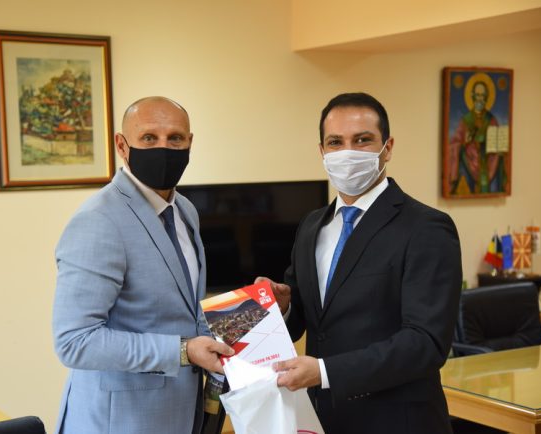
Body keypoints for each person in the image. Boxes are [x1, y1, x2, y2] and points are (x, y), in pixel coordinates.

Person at [257, 92, 462, 433]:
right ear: (322, 151)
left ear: (388, 148)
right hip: (323, 419)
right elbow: (310, 320)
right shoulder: (312, 226)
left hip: (398, 423)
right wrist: (284, 307)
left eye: (362, 140)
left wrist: (325, 372)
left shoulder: (426, 227)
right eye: (335, 142)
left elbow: (426, 343)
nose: (347, 152)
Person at [52, 96, 233, 434]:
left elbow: (184, 311)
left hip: (181, 414)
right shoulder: (98, 220)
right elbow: (75, 341)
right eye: (149, 138)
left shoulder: (185, 211)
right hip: (119, 422)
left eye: (175, 138)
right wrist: (183, 351)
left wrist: (257, 306)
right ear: (122, 145)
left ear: (190, 143)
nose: (164, 148)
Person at [449, 80, 506, 194]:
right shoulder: (466, 120)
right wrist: (465, 141)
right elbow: (455, 142)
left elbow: (498, 143)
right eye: (478, 95)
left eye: (483, 95)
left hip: (488, 161)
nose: (480, 99)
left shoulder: (491, 119)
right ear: (473, 96)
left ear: (486, 97)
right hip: (469, 160)